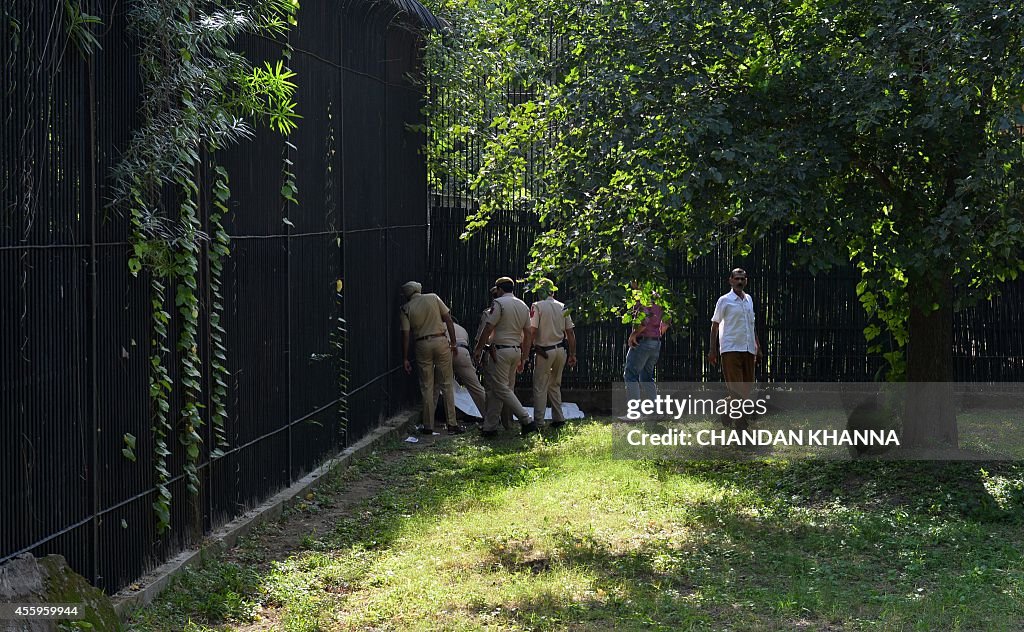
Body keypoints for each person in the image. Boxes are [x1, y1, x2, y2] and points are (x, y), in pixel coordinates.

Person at [472, 276, 537, 437]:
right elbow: (528, 334)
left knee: (501, 388)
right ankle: (490, 427)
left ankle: (526, 420)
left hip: (499, 352)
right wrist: (525, 356)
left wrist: (479, 348)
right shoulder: (522, 305)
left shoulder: (499, 303)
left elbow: (488, 327)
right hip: (516, 351)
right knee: (499, 390)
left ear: (500, 289)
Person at [399, 281, 464, 435]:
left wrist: (405, 358)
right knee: (447, 383)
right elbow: (448, 319)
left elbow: (406, 335)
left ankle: (428, 425)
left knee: (426, 386)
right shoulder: (433, 298)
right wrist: (453, 342)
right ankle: (452, 424)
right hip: (440, 341)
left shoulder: (406, 309)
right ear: (418, 289)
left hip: (421, 344)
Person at [707, 268, 762, 430]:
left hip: (748, 349)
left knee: (747, 387)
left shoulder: (749, 300)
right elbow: (715, 325)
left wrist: (757, 346)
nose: (739, 282)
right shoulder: (724, 300)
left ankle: (725, 408)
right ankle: (740, 423)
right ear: (730, 280)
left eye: (742, 279)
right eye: (736, 279)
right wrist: (712, 349)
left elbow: (752, 325)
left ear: (746, 281)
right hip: (730, 349)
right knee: (736, 388)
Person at [529, 278, 576, 429]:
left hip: (544, 351)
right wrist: (572, 354)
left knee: (540, 387)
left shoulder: (537, 306)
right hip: (561, 350)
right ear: (553, 291)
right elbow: (570, 333)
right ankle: (559, 418)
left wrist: (527, 350)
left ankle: (539, 422)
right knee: (555, 385)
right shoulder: (563, 307)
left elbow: (533, 330)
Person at [623, 285, 670, 406]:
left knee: (630, 374)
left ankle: (634, 412)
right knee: (647, 377)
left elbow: (643, 321)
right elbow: (667, 321)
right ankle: (654, 411)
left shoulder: (642, 297)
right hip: (656, 342)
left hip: (643, 341)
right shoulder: (658, 298)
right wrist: (657, 334)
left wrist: (633, 334)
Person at [438, 316, 488, 420]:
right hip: (463, 352)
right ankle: (490, 417)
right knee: (476, 388)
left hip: (446, 351)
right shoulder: (463, 330)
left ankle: (441, 421)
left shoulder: (439, 326)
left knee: (440, 387)